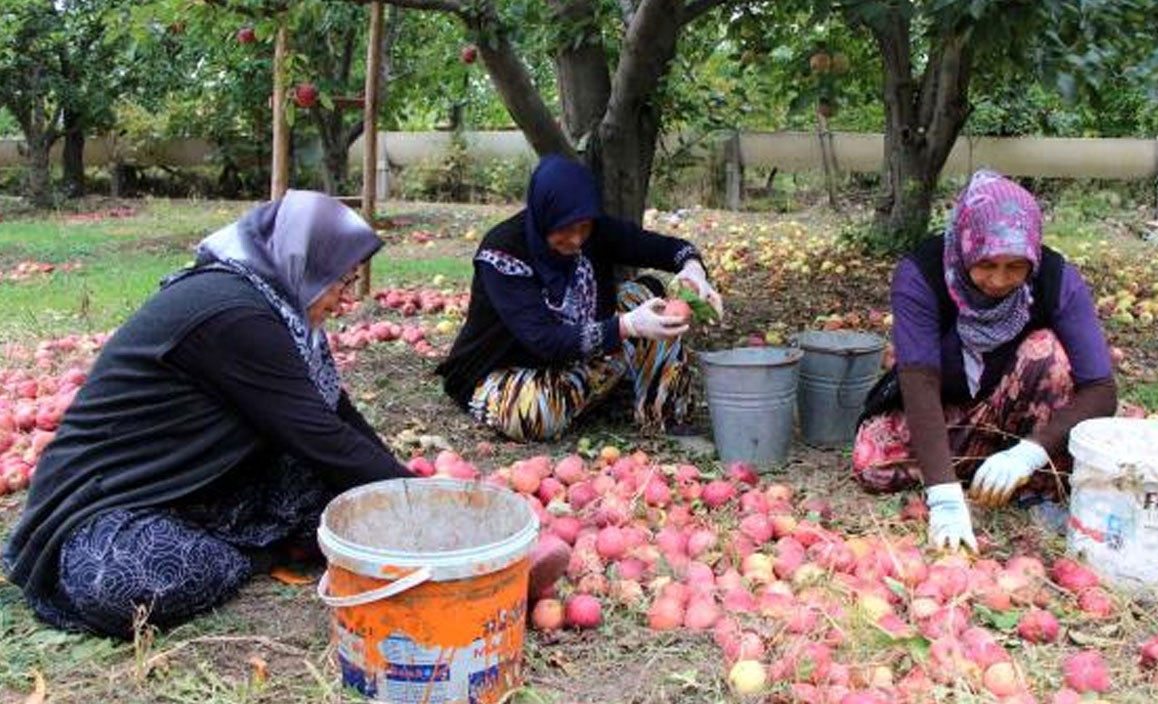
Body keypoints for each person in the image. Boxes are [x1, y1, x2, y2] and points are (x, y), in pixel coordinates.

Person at [1, 191, 567, 638]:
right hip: (104, 506)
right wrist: (426, 516)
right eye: (342, 280)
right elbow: (318, 434)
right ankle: (261, 547)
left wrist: (405, 491)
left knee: (344, 505)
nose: (348, 299)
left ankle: (275, 536)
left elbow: (337, 415)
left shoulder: (275, 308)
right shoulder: (230, 313)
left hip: (196, 483)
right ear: (304, 260)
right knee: (129, 583)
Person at [852, 170, 1117, 551]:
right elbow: (920, 382)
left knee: (1046, 351)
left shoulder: (1056, 278)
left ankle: (1014, 472)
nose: (998, 280)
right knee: (872, 464)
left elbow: (1101, 390)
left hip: (1022, 419)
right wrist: (943, 495)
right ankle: (975, 470)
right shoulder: (922, 275)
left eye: (1015, 266)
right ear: (964, 246)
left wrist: (1029, 453)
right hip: (952, 411)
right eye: (987, 264)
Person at [438, 155, 724, 442]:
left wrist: (693, 269)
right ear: (544, 214)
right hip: (507, 368)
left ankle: (665, 415)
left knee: (653, 302)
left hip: (572, 359)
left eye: (583, 227)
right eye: (564, 228)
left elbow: (666, 248)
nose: (576, 239)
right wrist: (627, 327)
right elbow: (543, 339)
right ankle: (589, 390)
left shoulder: (595, 232)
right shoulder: (503, 253)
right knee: (534, 414)